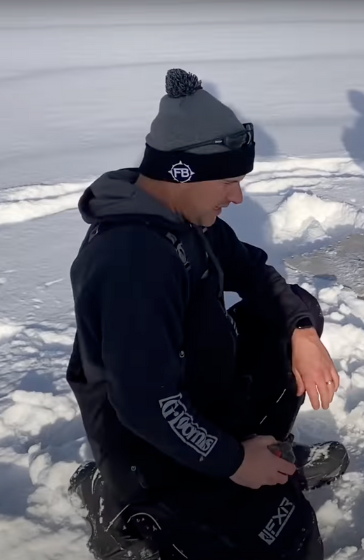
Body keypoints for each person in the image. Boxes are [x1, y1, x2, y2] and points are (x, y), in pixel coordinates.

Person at [65, 69, 349, 560]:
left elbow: (253, 271)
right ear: (183, 173)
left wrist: (301, 332)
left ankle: (268, 454)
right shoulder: (132, 262)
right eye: (230, 181)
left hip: (198, 393)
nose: (237, 197)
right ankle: (124, 503)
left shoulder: (182, 218)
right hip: (147, 445)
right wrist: (234, 461)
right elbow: (146, 403)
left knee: (293, 308)